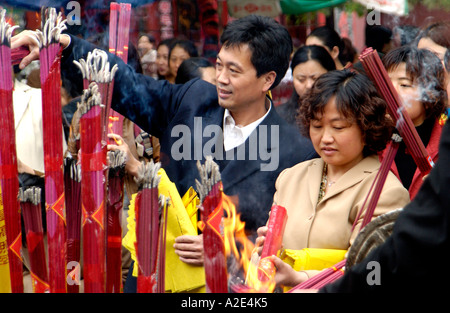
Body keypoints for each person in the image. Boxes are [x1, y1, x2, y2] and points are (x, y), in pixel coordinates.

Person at [13, 14, 318, 235]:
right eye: (220, 65)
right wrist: (63, 47)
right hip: (156, 263)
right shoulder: (193, 99)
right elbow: (127, 85)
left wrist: (221, 248)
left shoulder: (295, 152)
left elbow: (283, 235)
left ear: (268, 79)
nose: (221, 79)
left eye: (234, 71)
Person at [256, 70, 410, 289]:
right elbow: (263, 260)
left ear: (366, 127)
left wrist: (300, 278)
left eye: (338, 127)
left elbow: (372, 273)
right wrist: (268, 251)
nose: (326, 138)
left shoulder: (385, 191)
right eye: (317, 126)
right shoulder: (291, 177)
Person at [382, 46, 447, 199]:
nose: (391, 91)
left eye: (404, 85)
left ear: (431, 94)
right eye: (386, 83)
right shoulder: (372, 139)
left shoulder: (445, 143)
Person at [276, 45, 336, 126]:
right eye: (301, 79)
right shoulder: (278, 116)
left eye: (315, 78)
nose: (309, 85)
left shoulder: (345, 110)